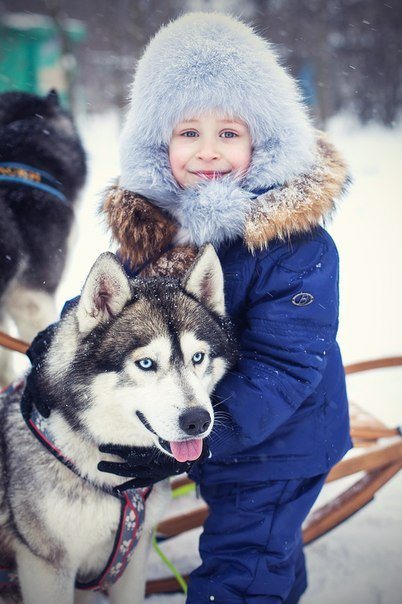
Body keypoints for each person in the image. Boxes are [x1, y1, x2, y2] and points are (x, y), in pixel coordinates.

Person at [27, 12, 352, 603]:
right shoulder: (158, 227)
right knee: (265, 556)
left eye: (229, 133)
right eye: (187, 133)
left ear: (264, 141)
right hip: (195, 426)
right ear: (160, 144)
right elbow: (105, 311)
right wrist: (52, 355)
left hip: (278, 443)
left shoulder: (296, 246)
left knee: (243, 563)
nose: (207, 153)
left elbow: (287, 365)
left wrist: (203, 440)